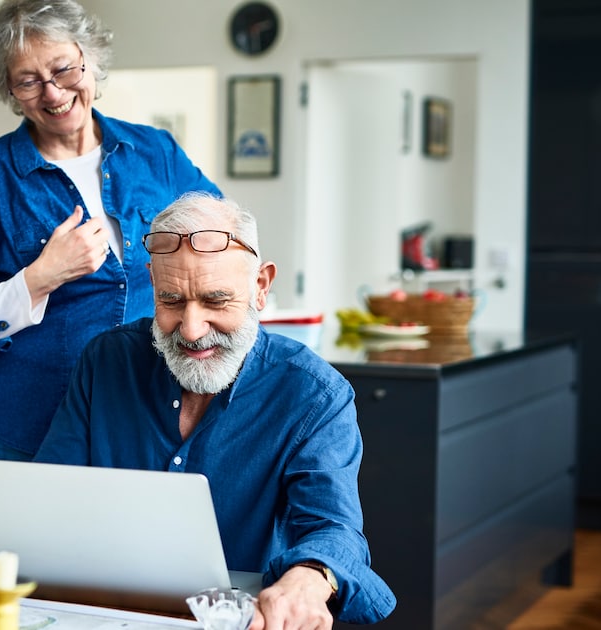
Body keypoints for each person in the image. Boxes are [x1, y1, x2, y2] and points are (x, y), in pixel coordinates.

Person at [35, 192, 397, 628]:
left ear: (260, 287)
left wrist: (310, 578)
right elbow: (50, 497)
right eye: (170, 301)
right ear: (152, 283)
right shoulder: (105, 361)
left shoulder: (315, 395)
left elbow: (333, 529)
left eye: (215, 301)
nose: (190, 329)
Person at [0, 0, 220, 461]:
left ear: (90, 58)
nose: (53, 93)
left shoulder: (155, 153)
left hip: (145, 423)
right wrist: (39, 277)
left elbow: (223, 239)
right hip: (24, 431)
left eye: (63, 69)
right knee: (20, 539)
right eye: (28, 81)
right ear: (10, 90)